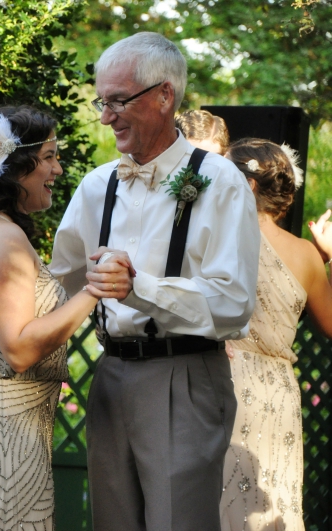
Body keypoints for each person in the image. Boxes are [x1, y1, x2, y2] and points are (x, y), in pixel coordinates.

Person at [49, 32, 259, 531]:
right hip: (111, 376)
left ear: (164, 96)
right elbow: (58, 280)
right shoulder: (97, 185)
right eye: (103, 101)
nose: (105, 117)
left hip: (183, 376)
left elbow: (233, 303)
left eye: (118, 101)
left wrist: (138, 287)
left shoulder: (221, 182)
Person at [0, 106, 131, 531]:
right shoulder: (3, 239)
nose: (57, 168)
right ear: (16, 169)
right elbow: (18, 349)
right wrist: (96, 289)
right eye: (50, 156)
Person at [219, 138, 332, 531]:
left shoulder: (216, 239)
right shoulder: (305, 254)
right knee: (270, 502)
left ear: (248, 186)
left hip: (225, 379)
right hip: (278, 393)